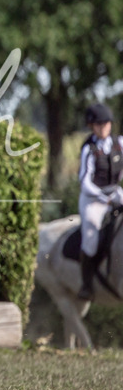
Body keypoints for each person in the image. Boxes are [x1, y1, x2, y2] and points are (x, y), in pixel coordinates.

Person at [77, 103, 123, 300]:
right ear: (92, 126)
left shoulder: (119, 143)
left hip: (115, 193)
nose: (104, 127)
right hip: (93, 199)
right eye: (99, 124)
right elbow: (84, 181)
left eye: (106, 123)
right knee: (91, 238)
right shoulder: (89, 148)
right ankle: (86, 286)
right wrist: (104, 197)